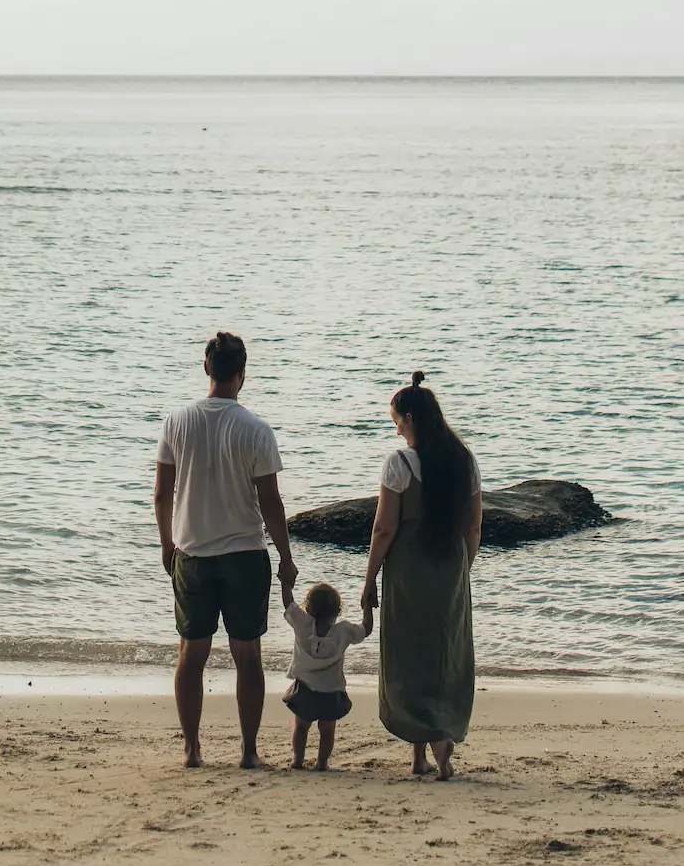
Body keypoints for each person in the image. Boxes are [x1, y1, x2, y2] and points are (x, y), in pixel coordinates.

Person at [154, 331, 298, 769]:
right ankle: (249, 751)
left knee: (190, 653)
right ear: (242, 374)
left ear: (206, 368)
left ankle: (192, 750)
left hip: (193, 553)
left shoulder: (177, 421)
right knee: (247, 654)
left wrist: (166, 543)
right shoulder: (255, 428)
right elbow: (271, 502)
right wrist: (287, 557)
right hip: (244, 555)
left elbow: (163, 492)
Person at [360, 371, 482, 779]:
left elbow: (384, 528)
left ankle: (417, 755)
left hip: (407, 568)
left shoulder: (399, 464)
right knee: (446, 653)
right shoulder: (464, 460)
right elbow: (474, 528)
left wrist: (369, 578)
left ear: (410, 417)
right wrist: (464, 565)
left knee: (409, 654)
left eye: (396, 420)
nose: (395, 429)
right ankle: (443, 742)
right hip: (450, 564)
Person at [282, 580, 373, 771]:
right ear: (338, 610)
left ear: (308, 607)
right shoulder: (344, 631)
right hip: (332, 690)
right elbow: (366, 628)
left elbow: (288, 604)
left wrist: (286, 583)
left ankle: (298, 760)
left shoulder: (303, 624)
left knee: (301, 727)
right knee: (327, 730)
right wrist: (367, 605)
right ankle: (322, 762)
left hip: (305, 688)